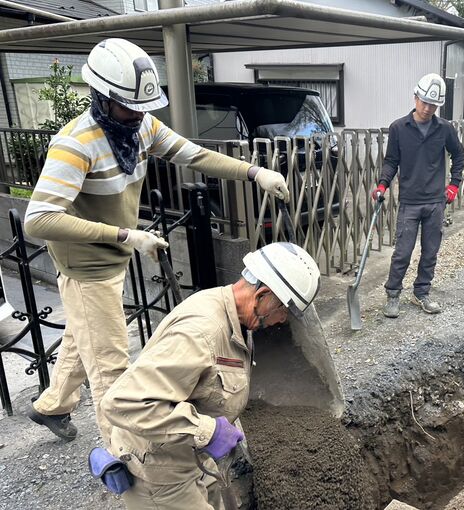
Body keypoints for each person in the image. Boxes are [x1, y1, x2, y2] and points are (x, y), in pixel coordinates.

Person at [23, 38, 289, 443]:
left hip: (111, 258)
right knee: (111, 367)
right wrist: (126, 236)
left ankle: (52, 406)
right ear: (102, 97)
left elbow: (194, 155)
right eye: (128, 105)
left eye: (142, 106)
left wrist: (254, 174)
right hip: (88, 269)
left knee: (84, 339)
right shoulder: (76, 145)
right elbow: (38, 220)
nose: (137, 114)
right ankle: (126, 460)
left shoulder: (140, 126)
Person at [98, 242, 320, 509]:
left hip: (191, 456)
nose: (282, 320)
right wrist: (208, 431)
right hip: (159, 474)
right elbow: (122, 403)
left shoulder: (234, 317)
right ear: (261, 295)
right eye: (282, 311)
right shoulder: (200, 334)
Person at [372, 73, 464, 318]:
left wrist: (454, 185)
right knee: (402, 251)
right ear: (415, 97)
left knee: (430, 251)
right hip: (410, 202)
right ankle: (393, 295)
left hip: (436, 201)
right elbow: (391, 161)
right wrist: (382, 185)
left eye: (433, 105)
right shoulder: (399, 128)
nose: (427, 108)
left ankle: (421, 292)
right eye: (424, 102)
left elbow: (459, 157)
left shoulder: (445, 129)